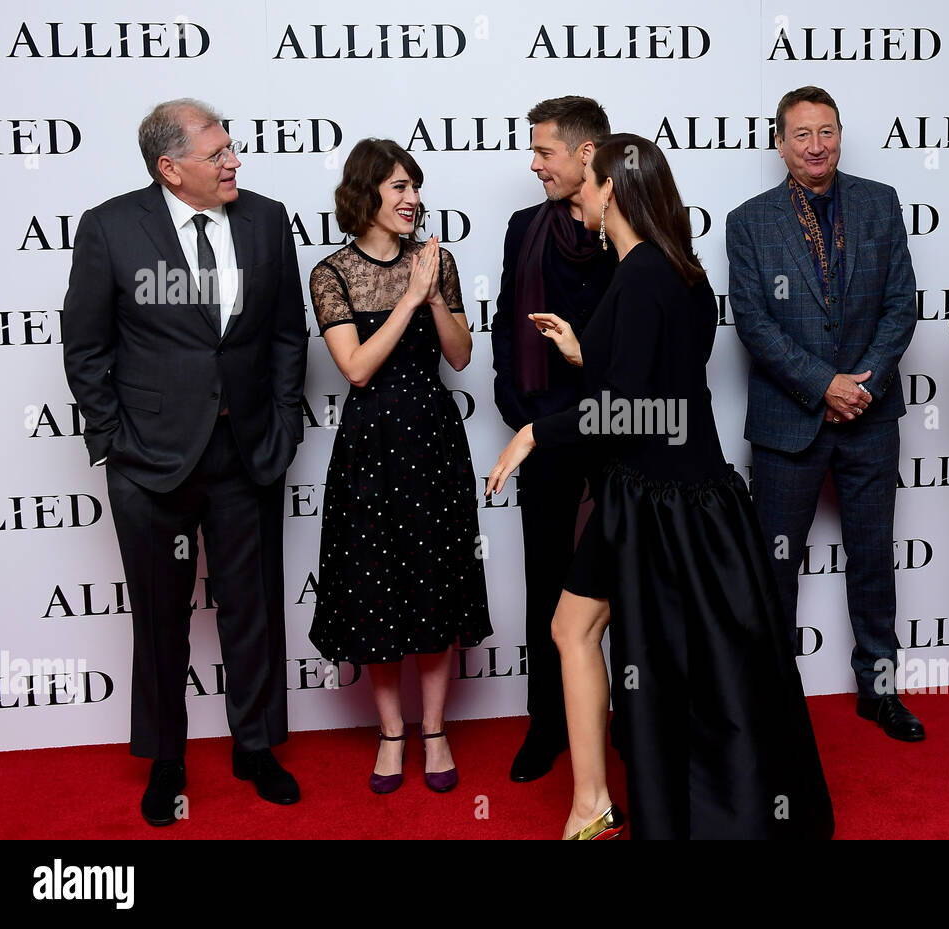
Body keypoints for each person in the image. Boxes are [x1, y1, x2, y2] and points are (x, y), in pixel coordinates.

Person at [487, 133, 835, 840]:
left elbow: (632, 406)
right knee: (585, 630)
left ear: (613, 186)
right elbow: (665, 383)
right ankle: (594, 802)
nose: (575, 192)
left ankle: (600, 805)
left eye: (585, 180)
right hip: (674, 490)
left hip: (659, 498)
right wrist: (589, 349)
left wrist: (536, 433)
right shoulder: (673, 268)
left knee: (597, 635)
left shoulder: (643, 271)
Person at [61, 98, 308, 826]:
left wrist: (284, 425)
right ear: (171, 168)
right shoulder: (110, 227)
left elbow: (287, 334)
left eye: (232, 148)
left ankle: (256, 746)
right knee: (160, 615)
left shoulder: (266, 219)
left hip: (246, 451)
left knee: (254, 607)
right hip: (150, 461)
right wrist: (115, 438)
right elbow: (85, 347)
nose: (234, 161)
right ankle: (166, 756)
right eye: (218, 152)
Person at [725, 86, 924, 741]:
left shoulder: (880, 202)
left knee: (873, 559)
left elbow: (902, 303)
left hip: (870, 413)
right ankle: (772, 697)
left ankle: (880, 691)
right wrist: (825, 384)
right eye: (803, 134)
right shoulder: (749, 221)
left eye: (828, 131)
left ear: (841, 133)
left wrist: (861, 383)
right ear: (780, 143)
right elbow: (753, 321)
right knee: (774, 567)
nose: (817, 145)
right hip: (790, 422)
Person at [308, 138, 492, 795]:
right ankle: (392, 733)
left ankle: (434, 729)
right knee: (377, 587)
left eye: (415, 185)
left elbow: (462, 356)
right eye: (397, 187)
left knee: (436, 584)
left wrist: (434, 292)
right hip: (370, 446)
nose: (413, 198)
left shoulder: (435, 263)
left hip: (434, 442)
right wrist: (409, 298)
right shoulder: (330, 274)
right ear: (365, 194)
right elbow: (356, 368)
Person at [491, 96, 617, 782]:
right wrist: (518, 405)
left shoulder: (632, 231)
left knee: (627, 579)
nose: (533, 163)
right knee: (548, 579)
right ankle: (547, 723)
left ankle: (625, 715)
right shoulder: (524, 227)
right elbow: (507, 316)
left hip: (621, 431)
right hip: (542, 432)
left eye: (543, 151)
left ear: (585, 153)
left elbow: (644, 348)